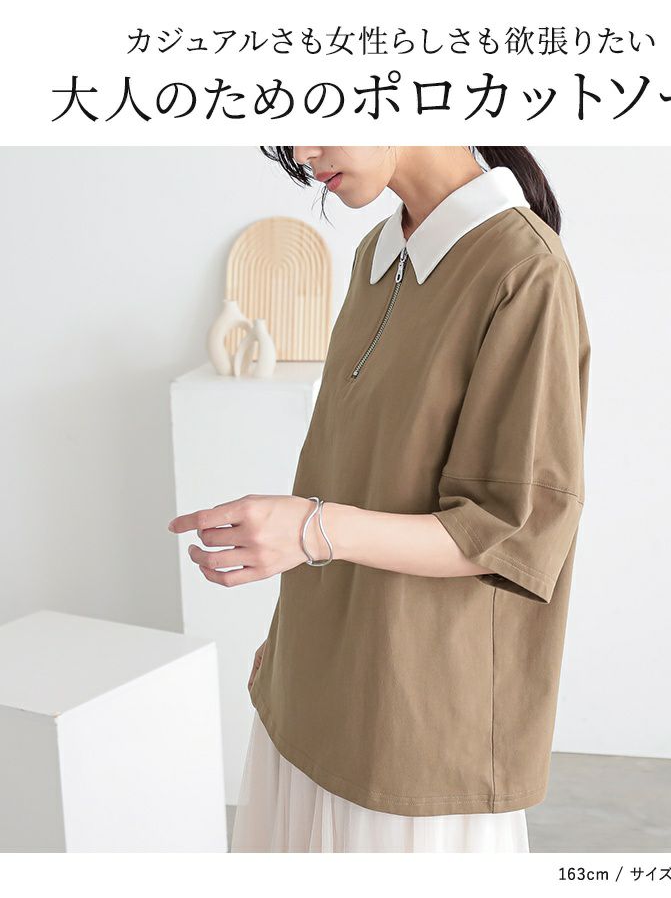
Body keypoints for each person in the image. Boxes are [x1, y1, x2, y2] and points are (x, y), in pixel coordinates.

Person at [169, 146, 590, 852]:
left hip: (413, 719)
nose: (301, 153)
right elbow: (345, 472)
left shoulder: (523, 270)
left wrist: (308, 530)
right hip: (314, 688)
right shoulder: (377, 253)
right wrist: (291, 637)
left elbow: (511, 531)